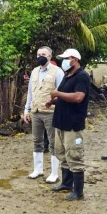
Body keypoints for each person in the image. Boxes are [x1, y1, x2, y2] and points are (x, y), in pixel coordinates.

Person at [46, 48, 90, 200]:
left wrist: (57, 94)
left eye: (67, 58)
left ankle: (79, 191)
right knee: (61, 152)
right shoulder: (67, 75)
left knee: (74, 155)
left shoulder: (82, 76)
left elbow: (78, 97)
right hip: (60, 121)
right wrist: (54, 100)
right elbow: (66, 96)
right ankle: (66, 183)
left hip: (73, 123)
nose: (64, 61)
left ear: (75, 59)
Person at [23, 46, 64, 182]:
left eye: (44, 54)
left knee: (53, 142)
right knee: (37, 141)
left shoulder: (57, 72)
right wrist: (26, 110)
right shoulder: (34, 71)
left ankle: (54, 173)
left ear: (50, 56)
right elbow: (30, 92)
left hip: (51, 112)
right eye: (39, 54)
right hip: (36, 111)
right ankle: (38, 170)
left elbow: (62, 92)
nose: (41, 56)